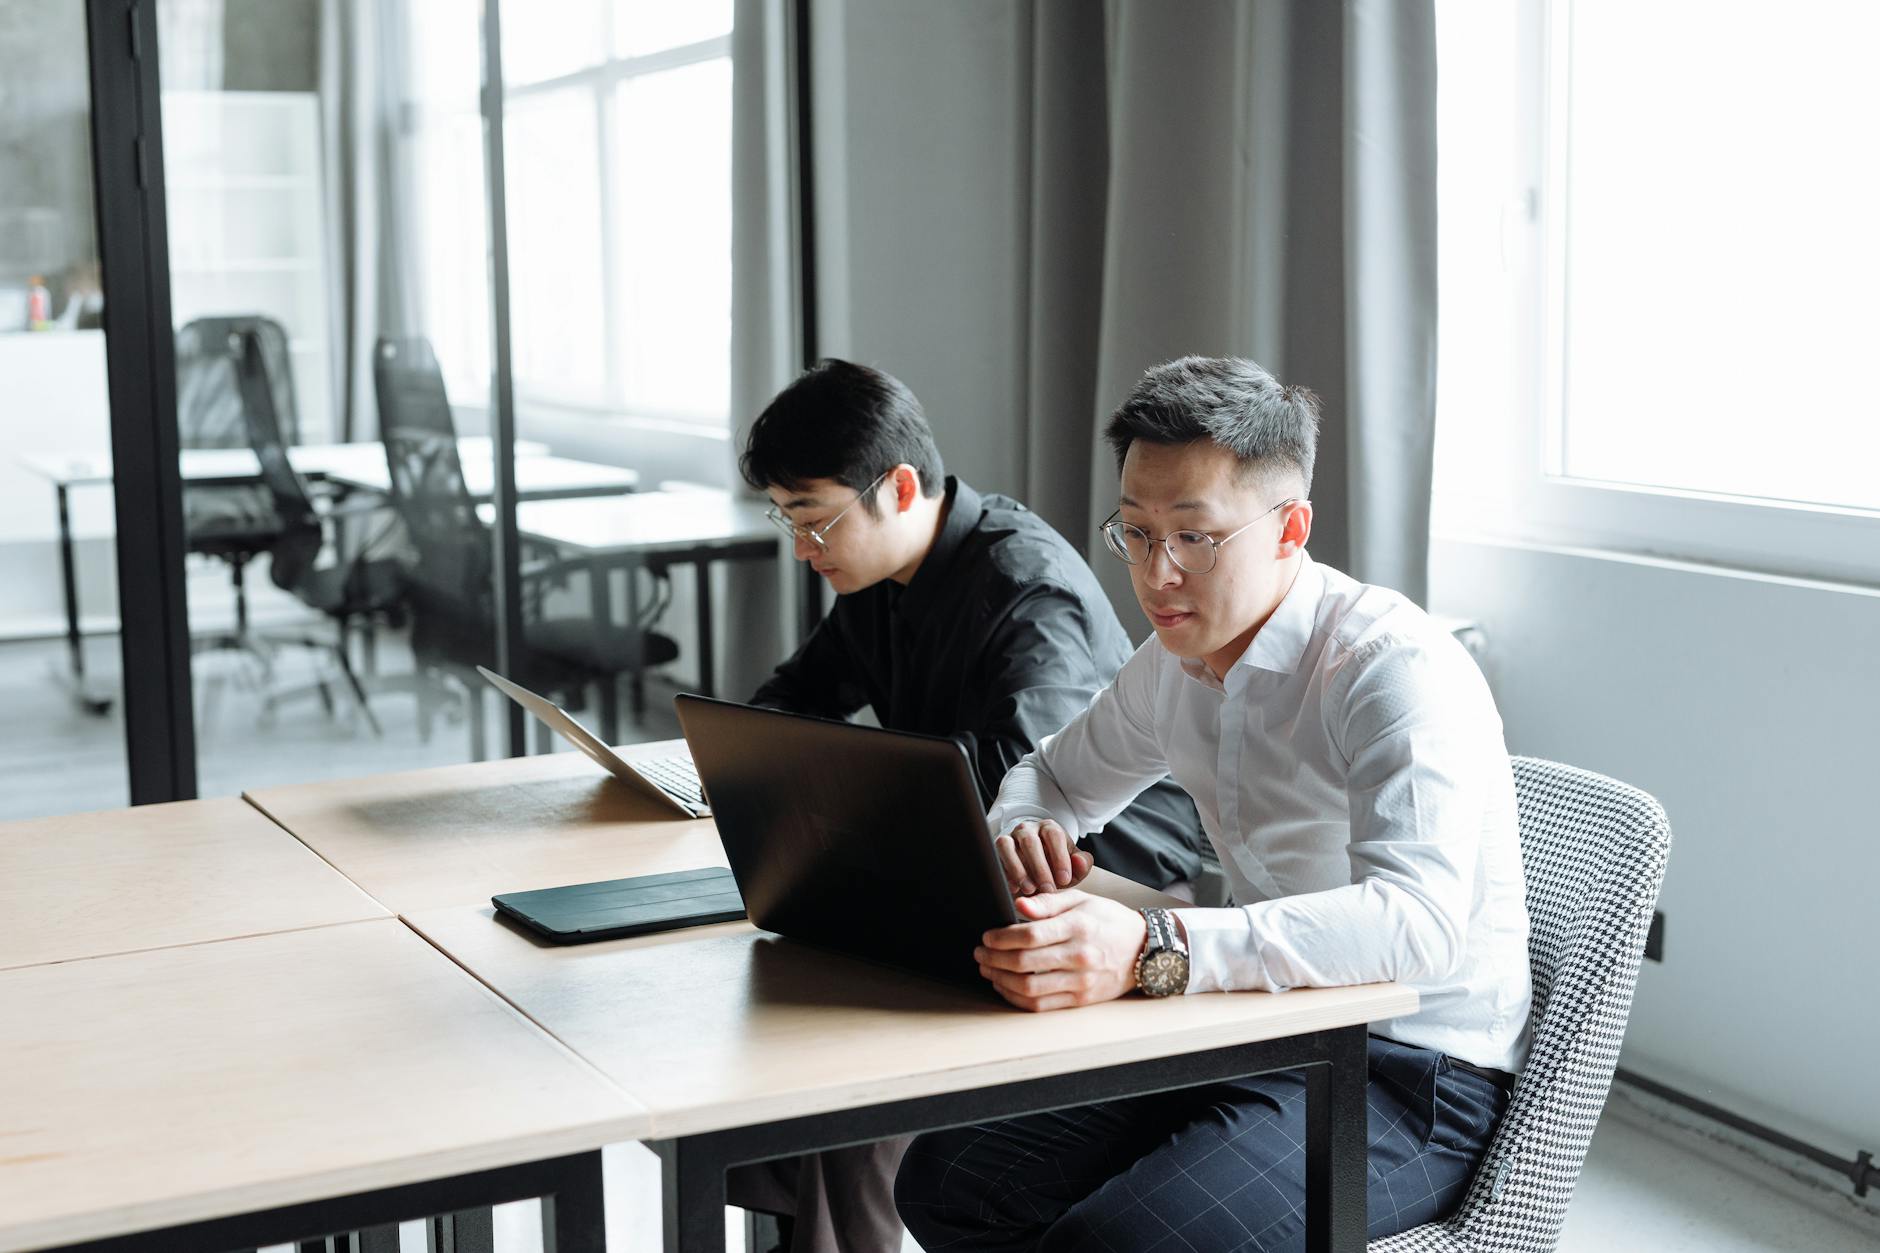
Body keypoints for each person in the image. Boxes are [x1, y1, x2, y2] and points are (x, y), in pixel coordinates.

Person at [893, 356, 1533, 1252]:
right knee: (949, 1180)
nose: (1158, 574)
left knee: (1114, 1244)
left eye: (1194, 537)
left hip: (1407, 1070)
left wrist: (1154, 948)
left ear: (1289, 527)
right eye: (1137, 533)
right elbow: (1053, 777)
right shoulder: (1173, 665)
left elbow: (1417, 925)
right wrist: (1026, 829)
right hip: (1255, 1021)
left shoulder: (1390, 669)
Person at [728, 357, 1210, 1253]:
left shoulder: (1029, 590)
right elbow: (794, 700)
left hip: (1109, 880)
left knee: (843, 1031)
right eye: (788, 520)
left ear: (899, 487)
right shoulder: (875, 584)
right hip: (965, 861)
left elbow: (1022, 787)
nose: (803, 547)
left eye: (814, 518)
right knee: (782, 974)